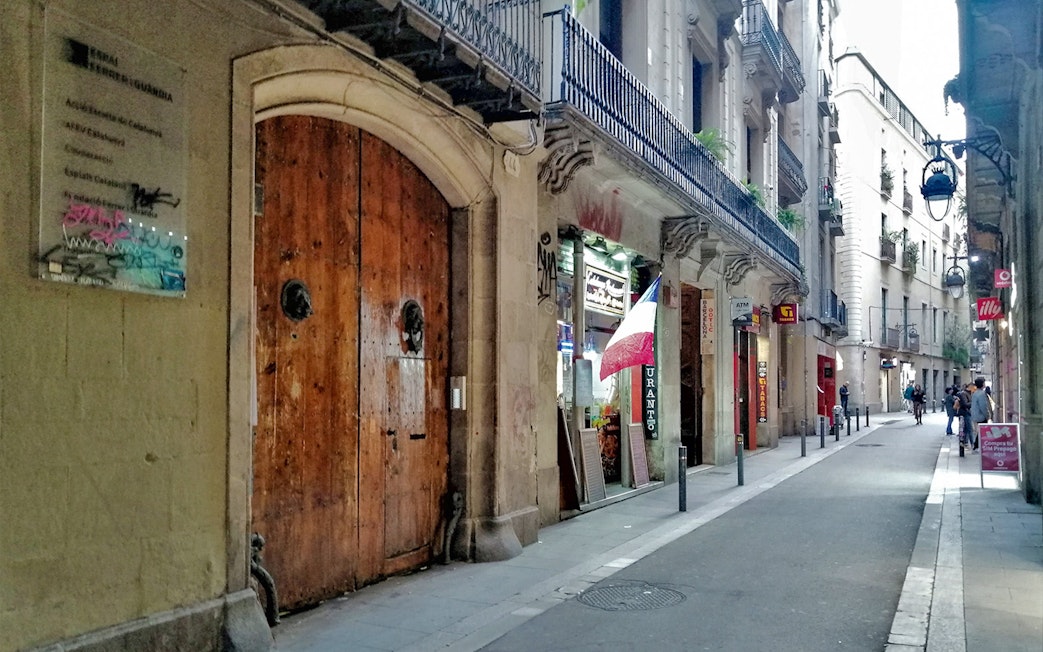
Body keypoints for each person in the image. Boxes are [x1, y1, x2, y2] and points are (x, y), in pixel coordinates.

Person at [970, 377, 992, 451]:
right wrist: (987, 415)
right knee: (982, 431)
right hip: (981, 415)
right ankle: (977, 446)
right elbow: (983, 406)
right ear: (982, 384)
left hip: (975, 414)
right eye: (984, 382)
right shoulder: (982, 394)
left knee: (980, 431)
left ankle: (976, 445)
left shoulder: (975, 393)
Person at [956, 383, 974, 455]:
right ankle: (972, 444)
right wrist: (973, 403)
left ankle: (966, 442)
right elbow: (965, 404)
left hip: (967, 413)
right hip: (965, 413)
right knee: (969, 429)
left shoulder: (970, 394)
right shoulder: (963, 394)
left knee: (967, 429)